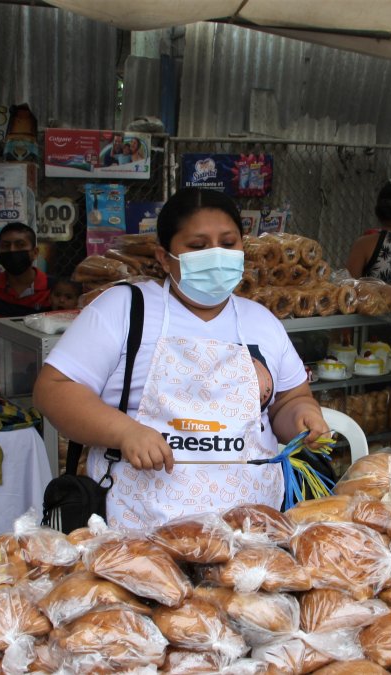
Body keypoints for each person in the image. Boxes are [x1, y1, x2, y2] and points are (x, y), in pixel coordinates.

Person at [33, 188, 329, 529]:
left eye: (228, 243)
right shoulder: (126, 309)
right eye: (198, 246)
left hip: (250, 528)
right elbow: (54, 389)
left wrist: (302, 416)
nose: (216, 255)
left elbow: (289, 400)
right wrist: (125, 432)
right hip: (141, 529)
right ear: (164, 257)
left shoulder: (261, 321)